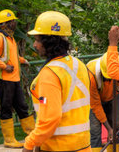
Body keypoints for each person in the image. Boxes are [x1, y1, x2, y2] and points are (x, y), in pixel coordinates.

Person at [22, 11, 91, 152]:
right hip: (83, 145)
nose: (35, 45)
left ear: (49, 42)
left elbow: (50, 119)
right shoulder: (79, 64)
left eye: (38, 40)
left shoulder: (49, 73)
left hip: (58, 147)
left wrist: (29, 144)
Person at [0, 9, 35, 148]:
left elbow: (11, 56)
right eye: (12, 21)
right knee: (6, 108)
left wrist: (22, 60)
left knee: (22, 107)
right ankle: (9, 140)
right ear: (5, 24)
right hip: (5, 79)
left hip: (14, 79)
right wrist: (4, 66)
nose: (14, 23)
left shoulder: (10, 38)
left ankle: (32, 135)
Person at [87, 52, 119, 152]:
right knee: (95, 131)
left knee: (116, 128)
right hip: (94, 100)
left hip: (112, 97)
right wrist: (109, 129)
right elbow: (96, 106)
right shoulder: (91, 74)